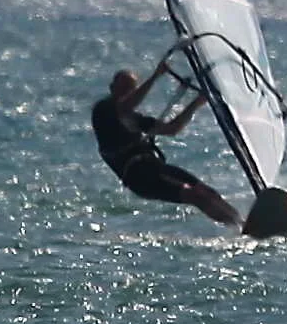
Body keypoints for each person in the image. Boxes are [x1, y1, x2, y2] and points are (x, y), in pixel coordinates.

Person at [91, 62, 241, 227]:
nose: (126, 92)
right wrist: (156, 76)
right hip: (139, 177)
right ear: (112, 87)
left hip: (155, 167)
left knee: (207, 192)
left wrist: (197, 102)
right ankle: (236, 226)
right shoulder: (102, 111)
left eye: (130, 88)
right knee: (195, 196)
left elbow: (172, 129)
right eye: (123, 87)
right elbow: (125, 106)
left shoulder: (137, 120)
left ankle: (242, 223)